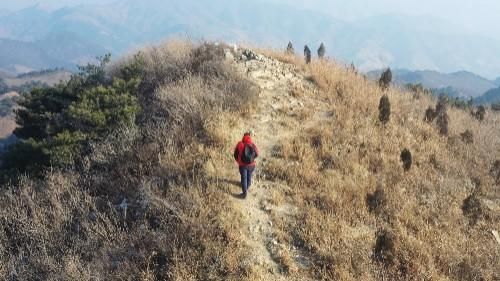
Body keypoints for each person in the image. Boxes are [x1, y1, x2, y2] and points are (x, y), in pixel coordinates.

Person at [233, 132, 259, 199]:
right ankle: (248, 185)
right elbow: (257, 153)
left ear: (243, 137)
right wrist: (251, 159)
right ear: (250, 137)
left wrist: (239, 161)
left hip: (243, 166)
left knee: (244, 178)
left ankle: (244, 194)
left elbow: (235, 154)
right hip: (252, 165)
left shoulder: (240, 144)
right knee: (249, 176)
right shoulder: (252, 145)